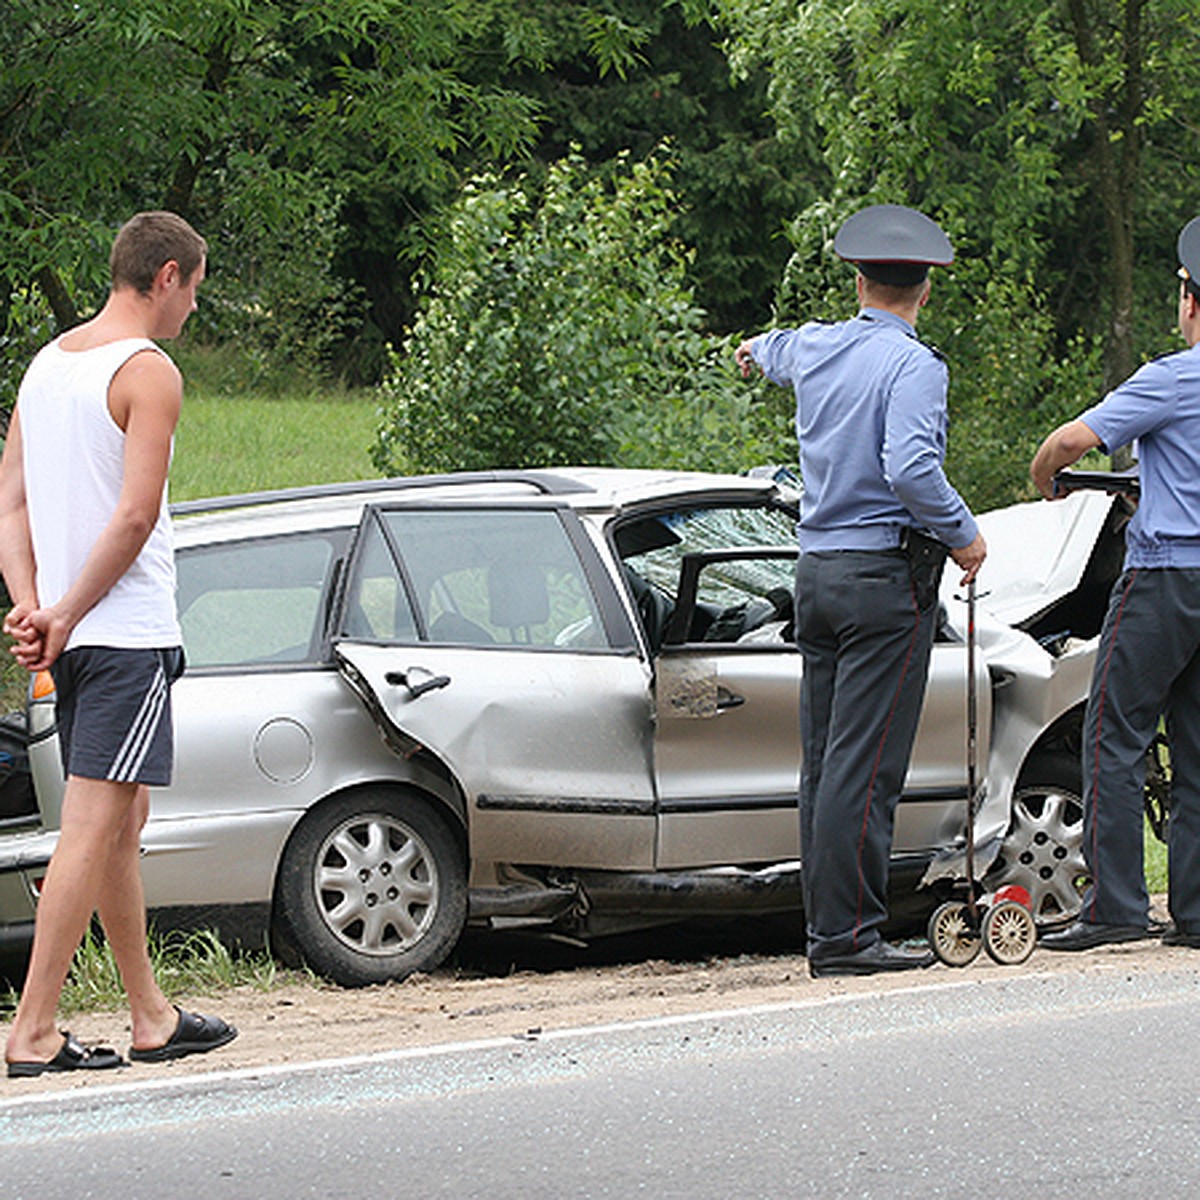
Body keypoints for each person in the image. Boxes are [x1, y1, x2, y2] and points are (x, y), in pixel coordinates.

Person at [0, 211, 236, 1076]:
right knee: (92, 827)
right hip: (124, 633)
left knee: (119, 824)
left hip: (72, 632)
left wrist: (34, 609)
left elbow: (11, 505)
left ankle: (150, 1014)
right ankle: (31, 1031)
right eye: (196, 291)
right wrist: (61, 614)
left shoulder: (46, 367)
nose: (193, 310)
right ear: (168, 275)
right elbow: (137, 514)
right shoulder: (147, 371)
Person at [736, 204, 987, 977]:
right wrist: (964, 534)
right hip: (885, 581)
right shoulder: (916, 367)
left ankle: (828, 932)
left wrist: (748, 352)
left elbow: (763, 350)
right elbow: (911, 466)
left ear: (857, 280)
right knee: (868, 766)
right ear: (927, 290)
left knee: (826, 764)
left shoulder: (813, 346)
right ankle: (849, 941)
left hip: (816, 577)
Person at [1032, 216, 1200, 953]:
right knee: (1197, 749)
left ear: (1191, 301)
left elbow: (1073, 442)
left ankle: (1116, 908)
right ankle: (1194, 912)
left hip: (1164, 579)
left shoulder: (1168, 378)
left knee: (1113, 736)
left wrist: (1046, 478)